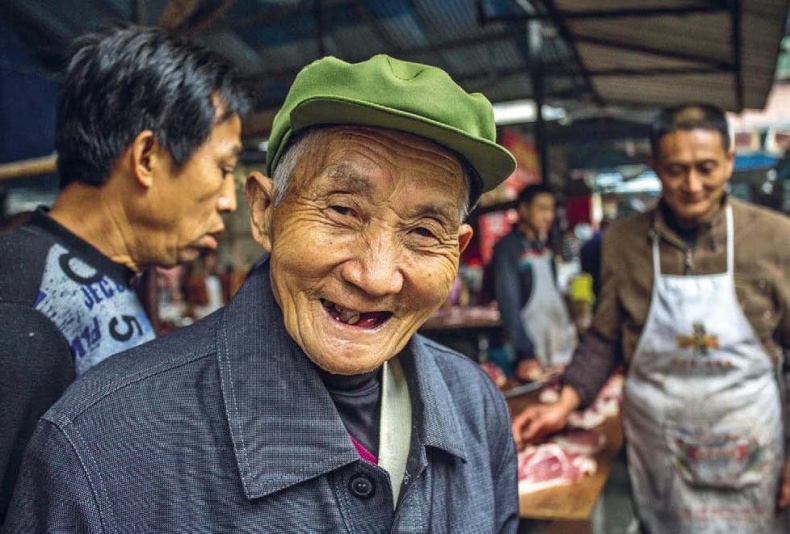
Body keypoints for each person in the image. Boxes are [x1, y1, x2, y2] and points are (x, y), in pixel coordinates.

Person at [3, 54, 520, 532]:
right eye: (342, 210)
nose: (376, 275)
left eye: (424, 232)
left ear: (458, 248)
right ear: (264, 212)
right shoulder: (101, 444)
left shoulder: (475, 408)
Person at [0, 25, 249, 524]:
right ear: (147, 157)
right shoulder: (24, 310)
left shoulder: (111, 276)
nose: (228, 198)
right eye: (223, 168)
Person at [512, 103, 790, 533]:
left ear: (731, 161)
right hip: (660, 441)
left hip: (749, 437)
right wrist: (564, 404)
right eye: (677, 170)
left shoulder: (775, 238)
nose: (692, 185)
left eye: (707, 168)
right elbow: (604, 337)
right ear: (654, 166)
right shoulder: (623, 242)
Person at [491, 183, 577, 381]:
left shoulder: (544, 246)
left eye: (551, 209)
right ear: (523, 210)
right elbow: (508, 305)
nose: (549, 216)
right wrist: (525, 352)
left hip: (556, 346)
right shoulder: (507, 248)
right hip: (531, 352)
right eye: (542, 209)